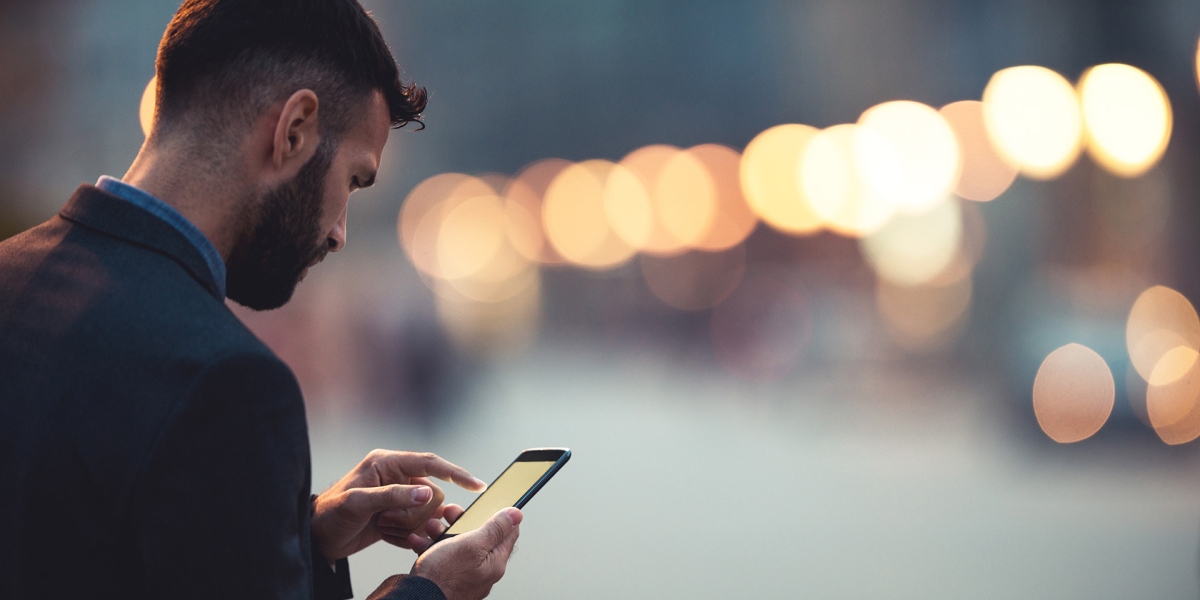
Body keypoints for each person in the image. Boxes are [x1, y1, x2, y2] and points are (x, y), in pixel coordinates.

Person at [0, 1, 522, 599]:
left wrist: (302, 533)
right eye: (353, 180)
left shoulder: (10, 274)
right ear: (294, 129)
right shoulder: (228, 382)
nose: (339, 233)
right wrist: (429, 592)